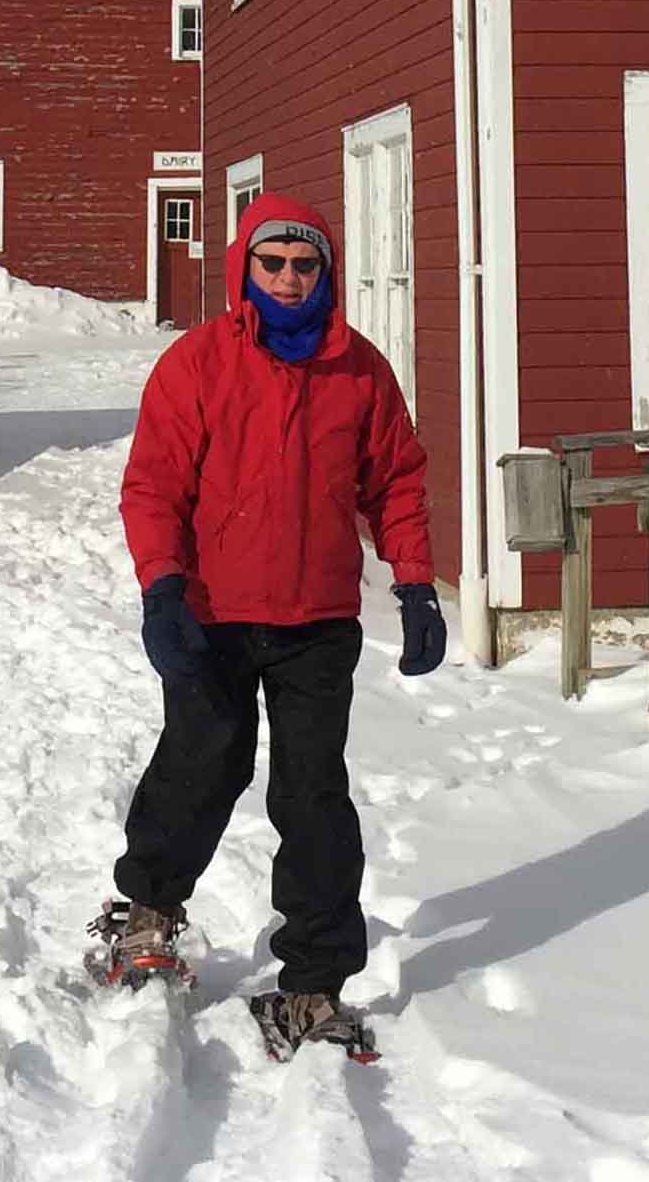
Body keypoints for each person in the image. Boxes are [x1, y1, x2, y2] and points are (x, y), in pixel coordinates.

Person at [92, 192, 442, 1060]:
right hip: (211, 613)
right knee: (201, 764)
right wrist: (162, 590)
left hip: (317, 618)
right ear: (245, 266)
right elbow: (155, 487)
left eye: (306, 264)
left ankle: (314, 983)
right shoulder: (199, 362)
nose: (289, 279)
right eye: (273, 262)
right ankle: (148, 908)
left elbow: (395, 480)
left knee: (312, 795)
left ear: (324, 272)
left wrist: (416, 584)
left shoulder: (359, 370)